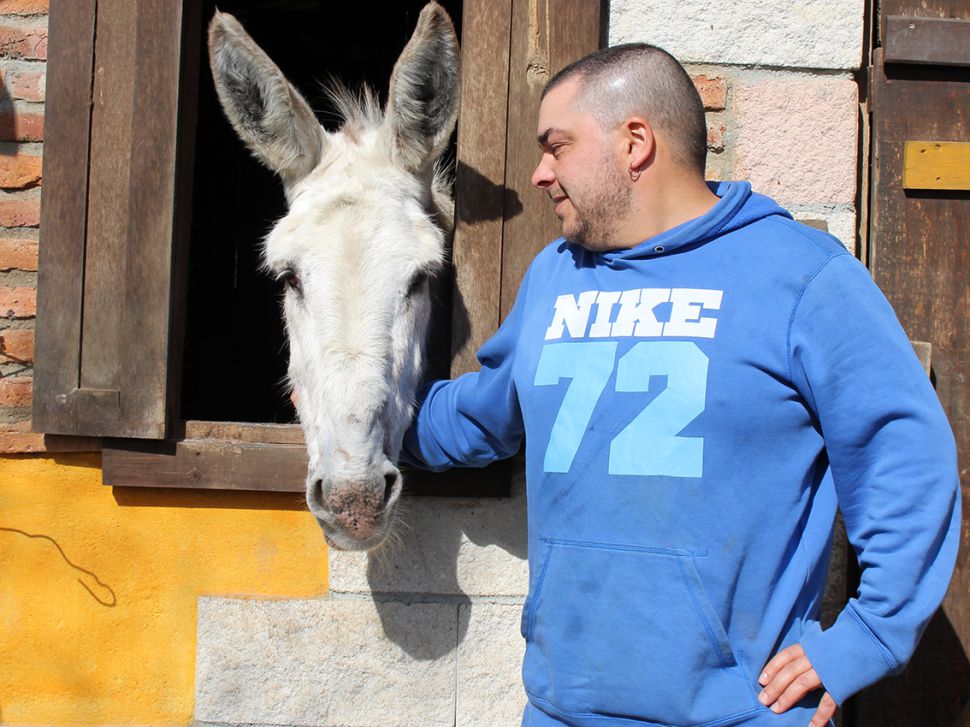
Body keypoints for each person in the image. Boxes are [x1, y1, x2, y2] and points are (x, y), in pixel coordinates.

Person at [402, 43, 961, 727]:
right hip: (562, 710)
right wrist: (370, 419)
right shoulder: (554, 274)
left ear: (635, 142)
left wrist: (868, 636)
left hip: (740, 715)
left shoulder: (800, 276)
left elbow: (906, 462)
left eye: (557, 146)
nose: (539, 173)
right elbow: (482, 415)